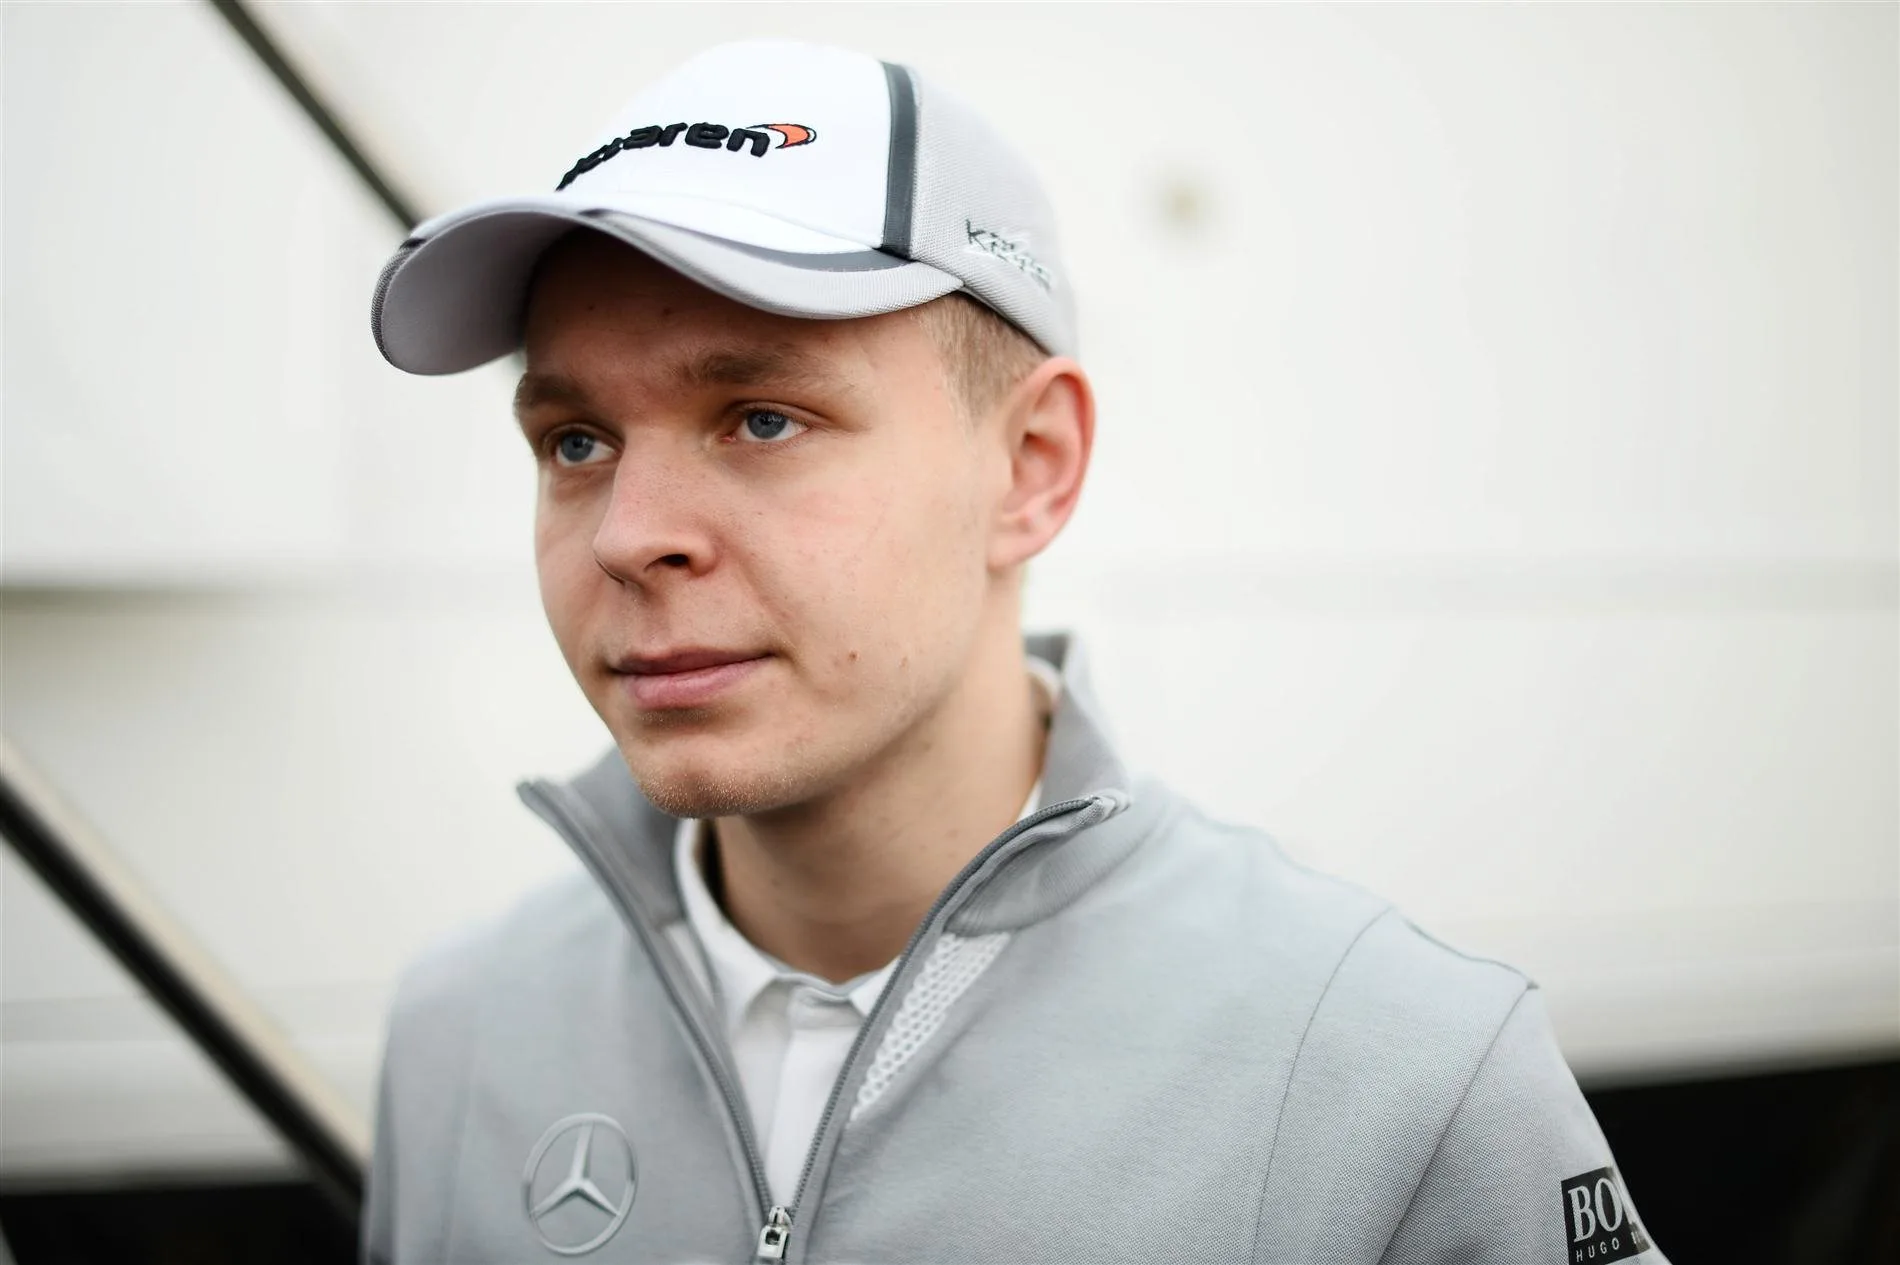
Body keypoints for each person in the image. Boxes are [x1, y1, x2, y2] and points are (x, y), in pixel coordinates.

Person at [363, 39, 1666, 1265]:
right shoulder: (462, 1039)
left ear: (1031, 469)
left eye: (760, 419)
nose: (630, 537)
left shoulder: (1395, 1076)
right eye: (575, 443)